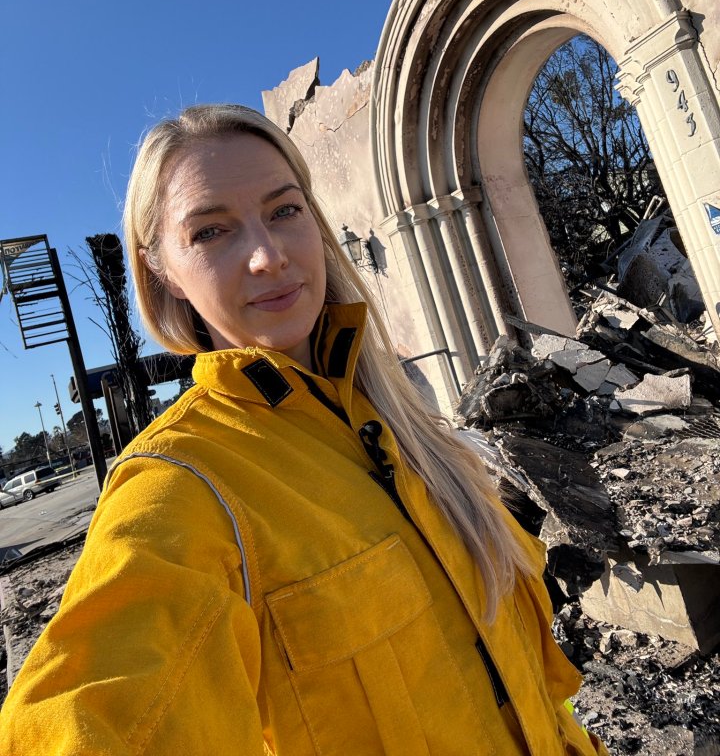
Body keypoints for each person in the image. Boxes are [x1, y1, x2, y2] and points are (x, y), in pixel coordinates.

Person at [0, 105, 608, 755]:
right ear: (160, 270)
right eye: (210, 232)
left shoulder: (401, 425)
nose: (267, 256)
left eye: (284, 210)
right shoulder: (182, 486)